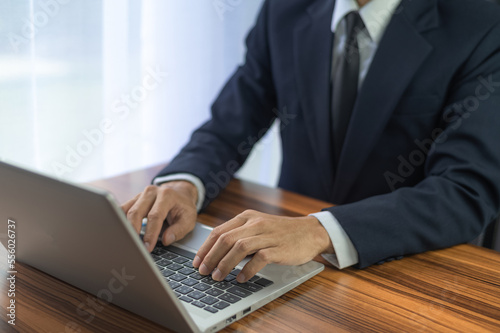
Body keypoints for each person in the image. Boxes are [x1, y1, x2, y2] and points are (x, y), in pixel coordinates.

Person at [122, 0, 500, 284]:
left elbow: (465, 189)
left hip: (410, 272)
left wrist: (319, 230)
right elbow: (231, 123)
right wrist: (185, 183)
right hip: (286, 268)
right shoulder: (285, 7)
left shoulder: (483, 23)